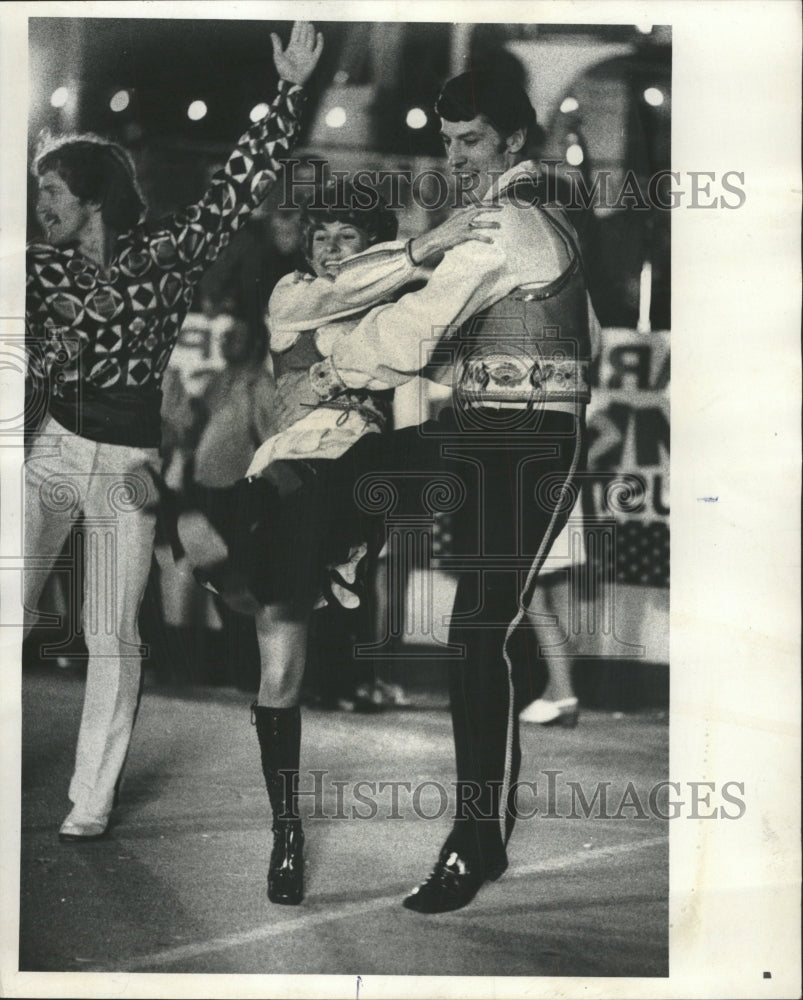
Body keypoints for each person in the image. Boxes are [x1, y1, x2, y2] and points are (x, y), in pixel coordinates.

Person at [301, 69, 600, 912]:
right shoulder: (510, 220)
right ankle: (334, 557)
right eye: (447, 141)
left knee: (476, 633)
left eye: (471, 141)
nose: (456, 155)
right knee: (360, 470)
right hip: (486, 429)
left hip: (528, 439)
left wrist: (335, 367)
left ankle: (476, 842)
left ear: (511, 142)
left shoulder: (506, 223)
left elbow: (420, 320)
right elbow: (446, 328)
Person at [23, 21, 324, 843]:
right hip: (51, 448)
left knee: (113, 636)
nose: (37, 205)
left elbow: (238, 181)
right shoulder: (33, 266)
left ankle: (92, 799)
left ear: (90, 197)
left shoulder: (166, 254)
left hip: (129, 462)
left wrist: (289, 92)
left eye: (51, 192)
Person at [177, 182, 496, 905]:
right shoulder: (292, 295)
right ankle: (285, 831)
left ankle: (278, 557)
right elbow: (349, 290)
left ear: (372, 244)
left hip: (359, 485)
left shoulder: (397, 312)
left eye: (344, 237)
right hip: (290, 483)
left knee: (441, 440)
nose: (326, 248)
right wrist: (424, 249)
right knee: (279, 673)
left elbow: (432, 359)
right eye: (320, 235)